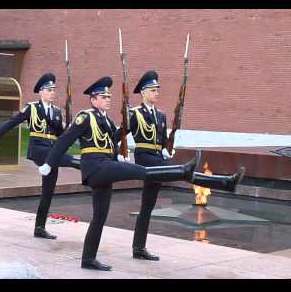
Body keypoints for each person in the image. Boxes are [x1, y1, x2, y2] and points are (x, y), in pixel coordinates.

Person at [38, 76, 201, 271]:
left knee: (100, 217)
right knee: (139, 170)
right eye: (104, 96)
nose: (108, 99)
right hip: (95, 167)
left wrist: (120, 153)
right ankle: (182, 171)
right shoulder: (86, 116)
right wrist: (49, 162)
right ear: (93, 99)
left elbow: (112, 143)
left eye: (108, 96)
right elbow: (64, 140)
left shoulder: (106, 120)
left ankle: (88, 259)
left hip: (104, 167)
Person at [128, 70, 245, 260]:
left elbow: (163, 140)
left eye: (157, 89)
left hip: (159, 158)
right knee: (183, 172)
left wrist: (167, 147)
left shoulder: (161, 115)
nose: (157, 93)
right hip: (145, 160)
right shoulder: (134, 113)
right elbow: (116, 136)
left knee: (147, 207)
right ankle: (224, 183)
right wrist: (118, 153)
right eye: (152, 90)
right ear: (143, 92)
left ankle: (138, 248)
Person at [0, 73, 80, 240]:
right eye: (49, 90)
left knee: (48, 192)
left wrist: (70, 126)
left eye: (54, 90)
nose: (53, 92)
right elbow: (12, 122)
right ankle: (86, 165)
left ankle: (39, 227)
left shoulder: (57, 112)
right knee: (69, 160)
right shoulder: (32, 108)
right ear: (41, 92)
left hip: (52, 151)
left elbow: (60, 134)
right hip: (38, 149)